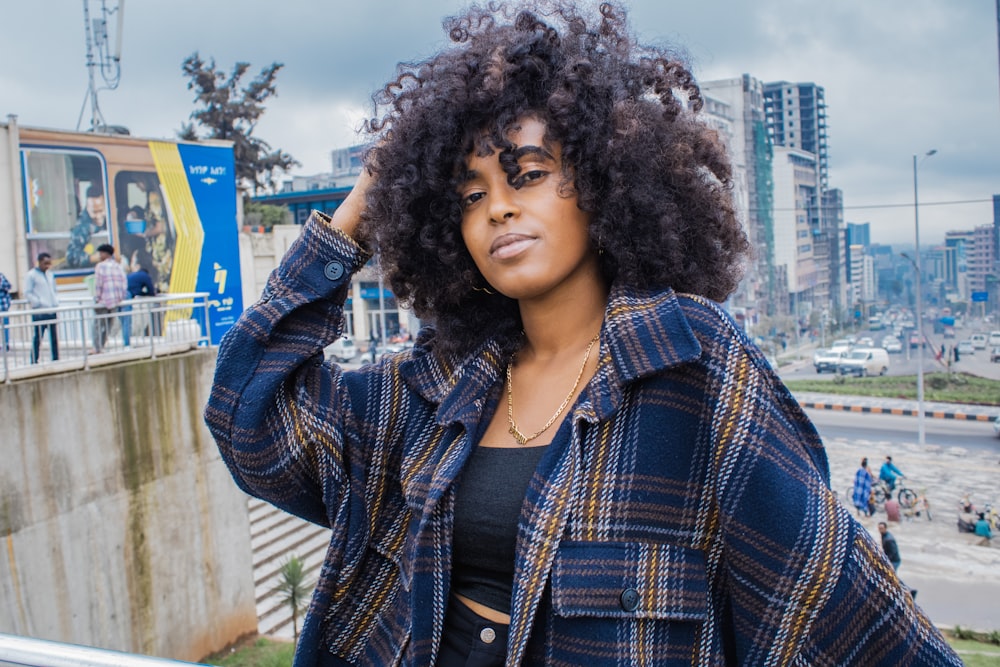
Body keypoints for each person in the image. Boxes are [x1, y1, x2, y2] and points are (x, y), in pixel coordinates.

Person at [205, 4, 960, 665]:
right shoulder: (435, 384)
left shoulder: (691, 364)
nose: (497, 208)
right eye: (472, 194)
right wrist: (350, 222)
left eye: (526, 174)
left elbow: (839, 604)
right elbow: (250, 421)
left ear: (602, 182)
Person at [92, 243, 129, 352]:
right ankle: (102, 345)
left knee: (98, 324)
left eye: (100, 253)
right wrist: (120, 297)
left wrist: (97, 298)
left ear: (105, 254)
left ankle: (97, 348)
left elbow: (99, 284)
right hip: (115, 301)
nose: (99, 256)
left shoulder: (100, 266)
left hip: (104, 301)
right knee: (108, 325)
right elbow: (124, 283)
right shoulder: (118, 266)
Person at [24, 253, 59, 363]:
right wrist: (38, 302)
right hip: (40, 311)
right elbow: (27, 292)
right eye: (45, 263)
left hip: (51, 309)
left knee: (54, 337)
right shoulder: (31, 275)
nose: (47, 266)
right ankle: (34, 359)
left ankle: (55, 358)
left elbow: (53, 289)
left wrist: (55, 302)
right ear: (39, 262)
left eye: (49, 263)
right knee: (38, 337)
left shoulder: (50, 275)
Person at [65, 184, 107, 268]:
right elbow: (71, 257)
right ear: (87, 208)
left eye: (101, 211)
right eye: (94, 212)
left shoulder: (110, 218)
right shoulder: (82, 227)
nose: (98, 216)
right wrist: (93, 258)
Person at [0, 271, 11, 351]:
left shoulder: (1, 276)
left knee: (5, 327)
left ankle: (6, 344)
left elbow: (8, 286)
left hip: (3, 307)